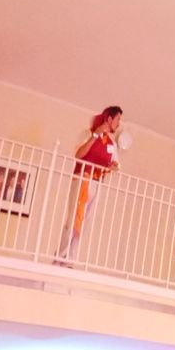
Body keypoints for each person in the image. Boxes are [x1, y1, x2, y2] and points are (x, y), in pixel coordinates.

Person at [56, 104, 123, 263]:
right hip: (83, 179)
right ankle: (61, 256)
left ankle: (70, 257)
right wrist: (95, 135)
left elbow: (116, 164)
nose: (119, 123)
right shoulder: (88, 133)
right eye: (118, 119)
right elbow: (79, 155)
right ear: (109, 118)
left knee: (85, 224)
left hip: (97, 182)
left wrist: (114, 167)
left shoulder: (112, 144)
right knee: (74, 219)